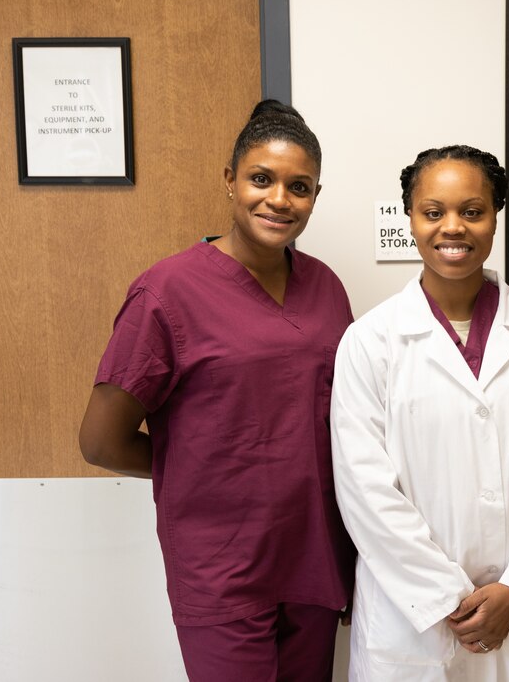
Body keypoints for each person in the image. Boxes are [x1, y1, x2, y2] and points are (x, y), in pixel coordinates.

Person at [78, 100, 354, 681]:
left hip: (315, 555)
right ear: (229, 180)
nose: (279, 199)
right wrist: (199, 468)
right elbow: (102, 442)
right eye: (261, 178)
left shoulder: (327, 289)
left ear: (315, 196)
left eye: (298, 186)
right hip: (222, 564)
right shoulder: (166, 292)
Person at [330, 145, 509, 681]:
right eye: (434, 212)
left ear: (496, 218)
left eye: (472, 211)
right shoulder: (370, 341)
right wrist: (445, 597)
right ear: (411, 218)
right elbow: (365, 490)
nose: (453, 227)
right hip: (414, 622)